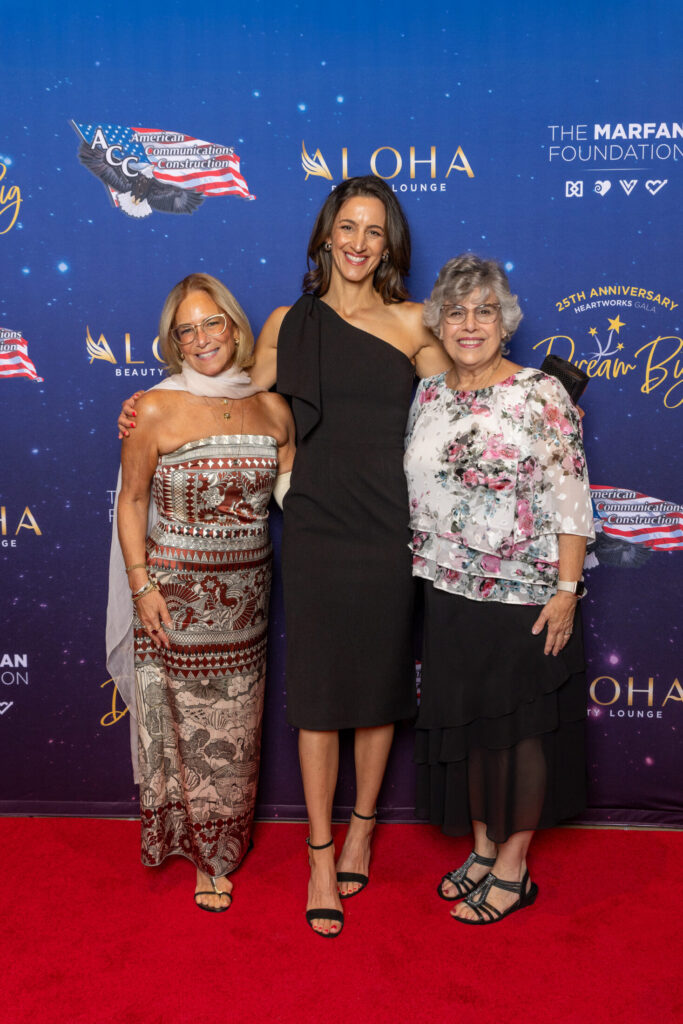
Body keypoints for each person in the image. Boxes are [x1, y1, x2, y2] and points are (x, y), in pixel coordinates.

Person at [119, 177, 450, 936]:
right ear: (324, 235)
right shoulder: (282, 323)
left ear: (388, 244)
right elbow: (231, 395)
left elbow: (462, 413)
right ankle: (320, 854)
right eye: (347, 227)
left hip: (389, 530)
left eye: (374, 231)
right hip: (311, 532)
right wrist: (149, 401)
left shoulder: (413, 323)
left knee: (379, 690)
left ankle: (364, 824)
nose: (359, 243)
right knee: (320, 696)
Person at [404, 254, 594, 924]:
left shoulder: (540, 393)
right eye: (455, 311)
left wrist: (566, 589)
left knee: (518, 733)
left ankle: (513, 867)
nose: (469, 324)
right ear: (438, 322)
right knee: (476, 728)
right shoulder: (428, 393)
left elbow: (571, 496)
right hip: (448, 593)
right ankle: (482, 849)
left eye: (484, 310)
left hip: (525, 596)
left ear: (504, 321)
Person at [108, 273, 295, 913]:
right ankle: (192, 852)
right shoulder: (153, 407)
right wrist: (142, 589)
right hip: (173, 602)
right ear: (173, 342)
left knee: (235, 732)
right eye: (185, 330)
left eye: (211, 322)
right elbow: (131, 502)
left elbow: (297, 502)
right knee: (181, 729)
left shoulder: (272, 409)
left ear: (235, 326)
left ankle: (224, 848)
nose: (201, 338)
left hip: (247, 605)